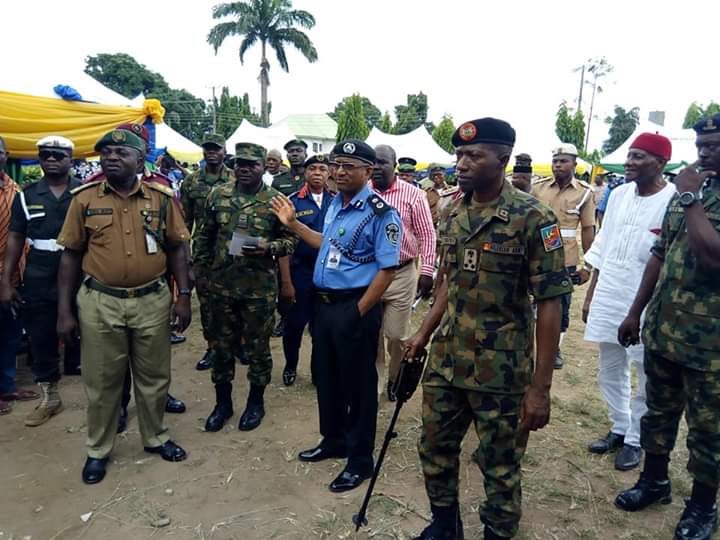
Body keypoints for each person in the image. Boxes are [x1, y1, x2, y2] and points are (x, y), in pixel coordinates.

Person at [404, 118, 572, 540]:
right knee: (434, 447)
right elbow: (448, 280)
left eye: (474, 155)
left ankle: (496, 532)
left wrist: (540, 388)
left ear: (502, 159)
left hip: (502, 370)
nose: (462, 163)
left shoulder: (533, 217)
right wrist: (423, 333)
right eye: (459, 155)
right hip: (446, 361)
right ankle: (445, 527)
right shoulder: (452, 210)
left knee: (499, 464)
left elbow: (550, 302)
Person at [56, 127, 192, 484]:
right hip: (100, 301)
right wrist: (65, 311)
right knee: (102, 382)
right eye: (107, 153)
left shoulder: (161, 199)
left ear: (139, 160)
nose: (112, 158)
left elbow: (177, 247)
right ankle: (98, 449)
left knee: (155, 377)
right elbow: (70, 256)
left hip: (152, 298)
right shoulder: (83, 199)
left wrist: (184, 297)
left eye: (121, 153)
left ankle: (155, 436)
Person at [271, 139, 402, 493]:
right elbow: (325, 243)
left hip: (355, 307)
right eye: (336, 164)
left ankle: (360, 460)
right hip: (324, 305)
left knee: (358, 388)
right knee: (326, 378)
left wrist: (358, 312)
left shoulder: (381, 213)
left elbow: (387, 270)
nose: (339, 171)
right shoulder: (335, 204)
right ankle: (333, 441)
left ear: (368, 171)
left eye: (348, 165)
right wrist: (293, 224)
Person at [614, 114, 720, 540]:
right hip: (663, 329)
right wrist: (634, 312)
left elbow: (712, 255)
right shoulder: (689, 194)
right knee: (657, 415)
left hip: (710, 345)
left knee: (709, 430)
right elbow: (660, 252)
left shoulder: (689, 195)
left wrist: (691, 198)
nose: (705, 153)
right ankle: (654, 482)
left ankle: (702, 507)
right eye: (701, 145)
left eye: (714, 145)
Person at [582, 133, 676, 472]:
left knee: (644, 370)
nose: (629, 162)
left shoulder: (674, 199)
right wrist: (592, 295)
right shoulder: (619, 194)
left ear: (660, 163)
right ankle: (619, 426)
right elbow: (604, 247)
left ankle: (636, 438)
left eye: (638, 157)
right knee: (610, 364)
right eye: (630, 156)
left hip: (648, 302)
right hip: (610, 291)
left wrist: (640, 311)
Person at [194, 142, 296, 433]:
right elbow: (204, 238)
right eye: (240, 163)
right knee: (221, 348)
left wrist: (269, 247)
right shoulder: (218, 195)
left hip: (258, 291)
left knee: (258, 349)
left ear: (264, 167)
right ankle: (222, 403)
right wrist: (199, 274)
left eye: (252, 164)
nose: (245, 168)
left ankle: (255, 402)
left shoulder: (277, 201)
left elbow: (291, 241)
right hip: (220, 288)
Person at [0, 136, 82, 427]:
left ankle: (104, 401)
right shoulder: (27, 195)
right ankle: (50, 397)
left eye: (58, 155)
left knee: (93, 334)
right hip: (40, 274)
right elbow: (15, 237)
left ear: (70, 160)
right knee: (41, 336)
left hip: (81, 272)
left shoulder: (84, 192)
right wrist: (7, 280)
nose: (51, 160)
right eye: (45, 154)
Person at [371, 145, 436, 399]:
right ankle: (375, 384)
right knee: (372, 334)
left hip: (401, 273)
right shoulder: (362, 193)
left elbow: (427, 234)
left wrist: (427, 270)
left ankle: (395, 378)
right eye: (373, 162)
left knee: (396, 336)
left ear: (394, 165)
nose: (377, 167)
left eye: (382, 162)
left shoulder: (413, 195)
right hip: (369, 274)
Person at [532, 143, 595, 368]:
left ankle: (553, 349)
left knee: (560, 306)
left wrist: (588, 266)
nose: (558, 165)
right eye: (555, 161)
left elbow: (588, 229)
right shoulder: (537, 188)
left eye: (563, 161)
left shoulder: (584, 192)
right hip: (532, 256)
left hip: (564, 259)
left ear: (574, 165)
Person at [180, 133, 233, 371]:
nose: (212, 152)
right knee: (208, 303)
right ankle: (212, 347)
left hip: (233, 251)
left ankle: (236, 344)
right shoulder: (191, 182)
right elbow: (184, 222)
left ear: (224, 151)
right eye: (208, 148)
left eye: (217, 148)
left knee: (235, 299)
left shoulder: (235, 178)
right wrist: (186, 255)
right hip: (204, 252)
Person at [280, 154, 334, 386]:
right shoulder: (293, 202)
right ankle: (291, 365)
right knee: (294, 325)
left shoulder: (337, 201)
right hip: (301, 273)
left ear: (329, 173)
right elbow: (284, 245)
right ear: (305, 172)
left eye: (323, 168)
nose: (318, 173)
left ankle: (318, 371)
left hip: (329, 275)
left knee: (322, 328)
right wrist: (286, 282)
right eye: (313, 168)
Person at [0, 136, 38, 416]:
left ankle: (6, 385)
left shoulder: (14, 189)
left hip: (13, 271)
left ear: (7, 155)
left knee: (10, 333)